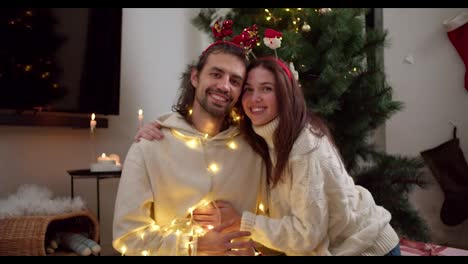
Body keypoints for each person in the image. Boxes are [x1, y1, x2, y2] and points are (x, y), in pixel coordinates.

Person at [136, 55, 402, 256]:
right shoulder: (259, 134)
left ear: (285, 94)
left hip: (368, 247)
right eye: (248, 90)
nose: (255, 99)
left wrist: (241, 221)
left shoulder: (305, 147)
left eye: (266, 88)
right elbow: (204, 122)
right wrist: (164, 127)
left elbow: (307, 236)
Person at [113, 27, 269, 255]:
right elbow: (128, 237)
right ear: (195, 77)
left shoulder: (255, 150)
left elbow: (276, 234)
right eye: (216, 74)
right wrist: (193, 246)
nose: (225, 86)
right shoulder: (150, 146)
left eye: (235, 81)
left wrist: (241, 223)